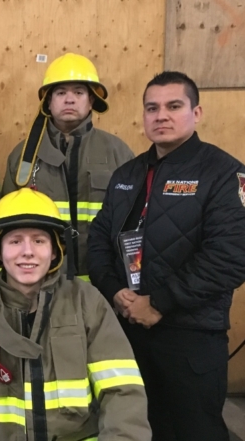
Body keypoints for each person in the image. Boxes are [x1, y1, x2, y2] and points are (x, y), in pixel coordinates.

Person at [88, 71, 245, 441]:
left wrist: (158, 302)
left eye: (174, 106)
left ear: (197, 112)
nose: (162, 116)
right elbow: (97, 239)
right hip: (127, 330)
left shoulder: (224, 174)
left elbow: (230, 256)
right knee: (137, 428)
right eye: (152, 108)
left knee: (194, 431)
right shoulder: (127, 174)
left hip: (190, 339)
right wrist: (114, 291)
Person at [0, 188, 151, 440]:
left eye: (39, 240)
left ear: (55, 251)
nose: (27, 251)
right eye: (15, 240)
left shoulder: (87, 303)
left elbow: (122, 393)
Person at [2, 53, 133, 279]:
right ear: (48, 102)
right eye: (61, 93)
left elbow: (134, 223)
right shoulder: (24, 157)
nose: (69, 99)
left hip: (104, 282)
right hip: (42, 282)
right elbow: (8, 226)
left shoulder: (118, 152)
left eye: (79, 92)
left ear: (91, 100)